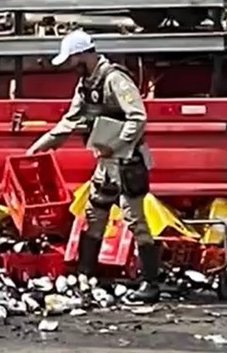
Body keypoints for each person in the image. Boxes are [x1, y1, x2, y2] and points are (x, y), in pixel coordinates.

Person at [25, 29, 159, 303]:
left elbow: (138, 118)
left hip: (126, 160)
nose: (70, 67)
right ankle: (87, 273)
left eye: (72, 60)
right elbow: (69, 121)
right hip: (106, 162)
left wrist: (117, 144)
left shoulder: (115, 80)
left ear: (83, 55)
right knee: (94, 212)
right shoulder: (86, 85)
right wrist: (39, 147)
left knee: (135, 220)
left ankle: (151, 282)